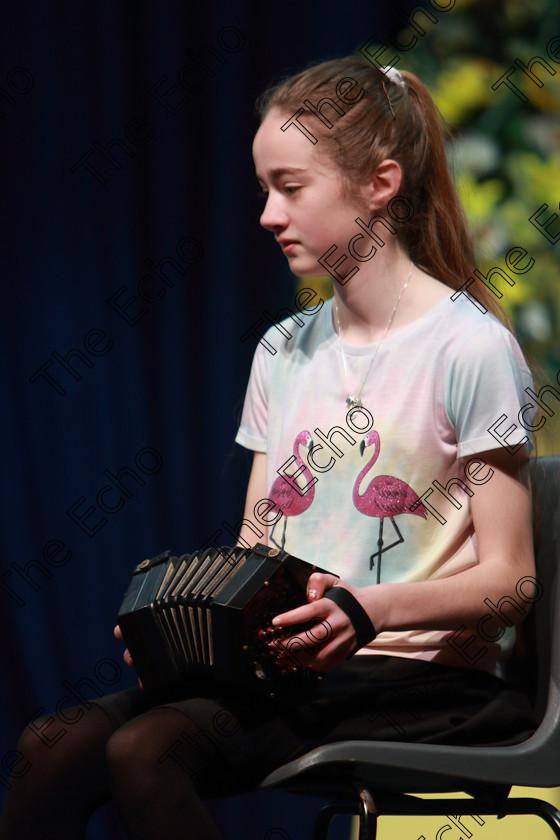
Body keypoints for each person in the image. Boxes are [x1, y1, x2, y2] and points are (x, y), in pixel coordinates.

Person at [0, 56, 538, 840]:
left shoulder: (470, 349)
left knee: (148, 752)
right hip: (296, 671)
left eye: (291, 187)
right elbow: (260, 546)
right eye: (264, 189)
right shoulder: (283, 348)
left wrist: (368, 608)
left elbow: (512, 581)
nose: (267, 215)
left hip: (424, 677)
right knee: (51, 748)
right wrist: (189, 629)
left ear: (379, 184)